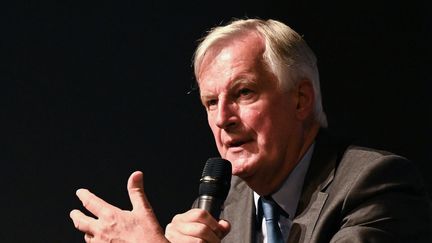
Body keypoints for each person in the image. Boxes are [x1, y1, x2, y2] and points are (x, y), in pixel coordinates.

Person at [70, 18, 432, 242]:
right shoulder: (221, 205)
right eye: (211, 102)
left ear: (300, 99)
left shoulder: (376, 184)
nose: (222, 117)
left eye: (243, 93)